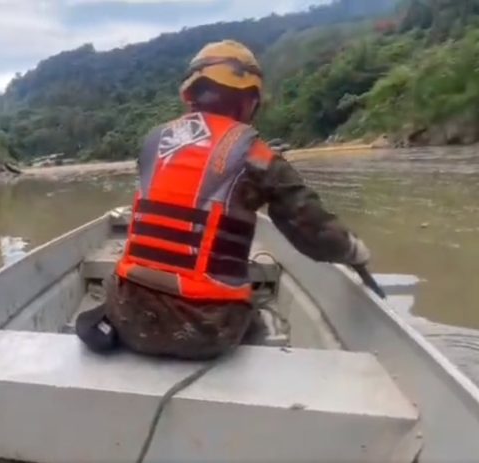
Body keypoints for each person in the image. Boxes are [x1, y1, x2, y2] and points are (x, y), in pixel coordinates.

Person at [76, 40, 370, 360]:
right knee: (252, 318)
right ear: (249, 102)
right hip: (206, 331)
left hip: (129, 318)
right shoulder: (257, 155)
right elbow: (312, 230)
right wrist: (352, 250)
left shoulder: (152, 141)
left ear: (190, 95)